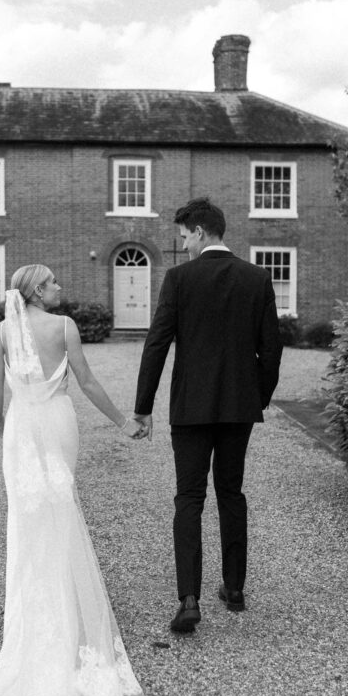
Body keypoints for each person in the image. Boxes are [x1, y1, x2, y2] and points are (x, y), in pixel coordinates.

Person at [0, 264, 184, 696]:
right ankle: (63, 600)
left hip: (20, 429)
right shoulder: (65, 327)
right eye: (52, 283)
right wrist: (124, 423)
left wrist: (4, 429)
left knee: (28, 519)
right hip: (57, 422)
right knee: (60, 508)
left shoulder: (4, 331)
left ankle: (37, 601)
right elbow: (85, 382)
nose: (60, 288)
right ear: (37, 291)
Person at [133, 198, 282, 633]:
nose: (183, 244)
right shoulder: (256, 278)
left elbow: (156, 344)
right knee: (231, 493)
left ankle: (189, 599)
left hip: (191, 408)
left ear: (199, 232)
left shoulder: (179, 279)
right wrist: (259, 397)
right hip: (239, 407)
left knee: (189, 497)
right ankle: (234, 589)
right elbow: (270, 351)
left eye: (183, 235)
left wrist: (143, 407)